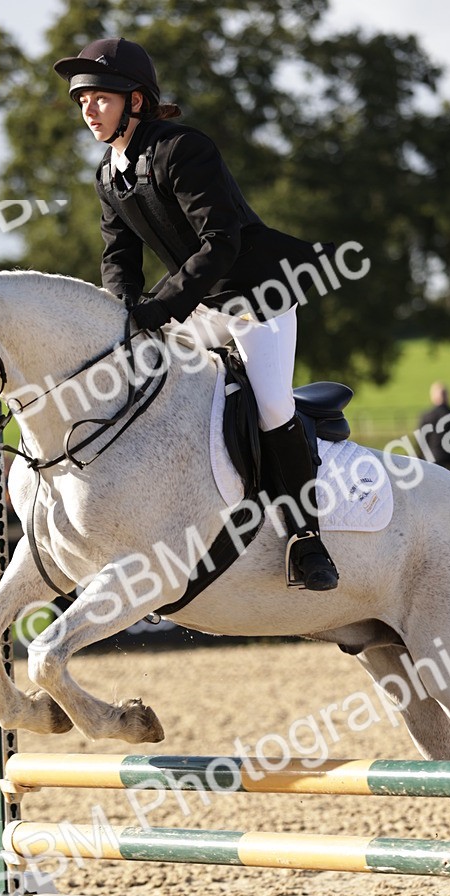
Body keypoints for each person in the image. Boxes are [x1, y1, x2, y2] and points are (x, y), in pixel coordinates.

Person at [53, 37, 340, 591]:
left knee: (272, 404)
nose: (88, 110)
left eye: (100, 98)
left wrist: (161, 307)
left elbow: (220, 241)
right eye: (82, 100)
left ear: (136, 101)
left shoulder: (184, 148)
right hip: (194, 304)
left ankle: (307, 540)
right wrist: (123, 315)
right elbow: (119, 259)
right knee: (137, 382)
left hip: (256, 298)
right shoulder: (109, 173)